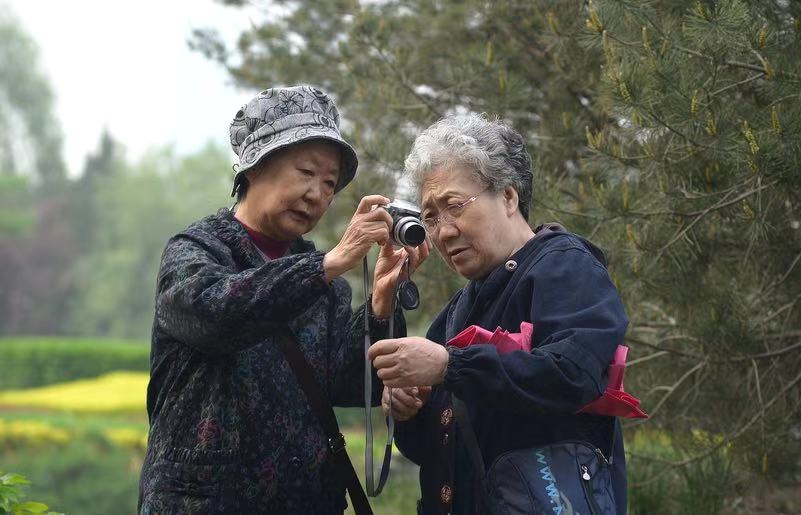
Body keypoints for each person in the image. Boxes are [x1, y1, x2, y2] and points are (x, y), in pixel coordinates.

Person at [138, 85, 428, 514]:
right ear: (255, 167)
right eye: (305, 172)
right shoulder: (194, 252)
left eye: (329, 183)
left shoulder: (324, 282)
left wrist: (381, 302)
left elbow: (349, 383)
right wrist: (326, 265)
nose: (317, 194)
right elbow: (218, 317)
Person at [368, 114, 629, 515]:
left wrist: (448, 366)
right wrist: (409, 410)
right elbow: (436, 453)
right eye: (430, 217)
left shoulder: (564, 266)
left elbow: (574, 376)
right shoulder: (457, 311)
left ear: (508, 197)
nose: (443, 231)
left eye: (454, 206)